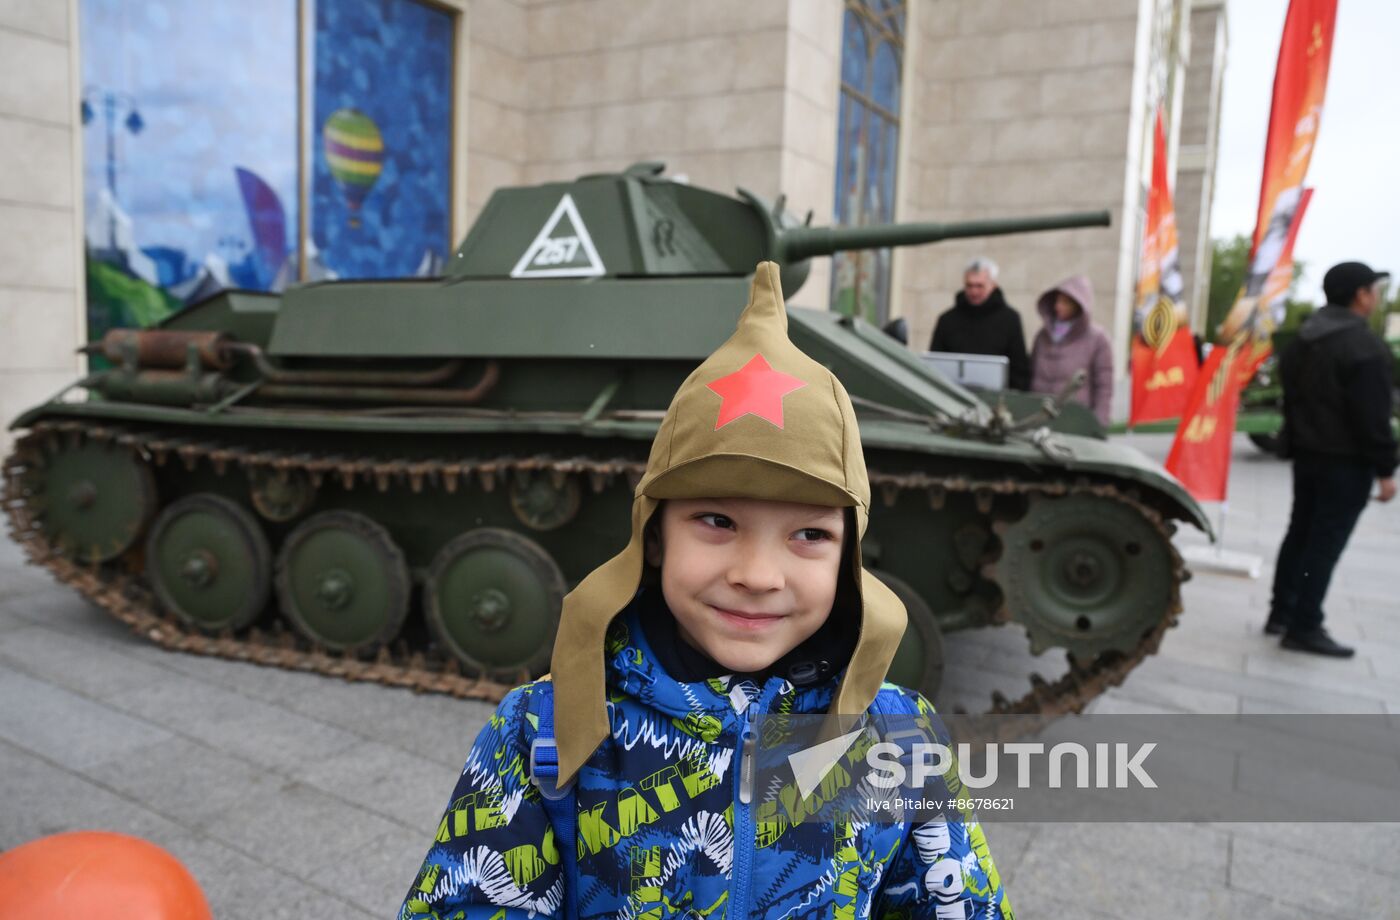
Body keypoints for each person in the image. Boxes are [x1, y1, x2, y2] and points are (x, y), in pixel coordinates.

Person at [398, 263, 1012, 919]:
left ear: (850, 557)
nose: (757, 574)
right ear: (654, 536)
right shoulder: (543, 731)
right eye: (717, 522)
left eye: (808, 533)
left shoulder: (900, 738)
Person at [1265, 261, 1396, 657]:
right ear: (1360, 294)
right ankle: (1305, 624)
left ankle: (1281, 613)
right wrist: (1387, 470)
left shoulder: (1302, 339)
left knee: (1300, 534)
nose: (1375, 297)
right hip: (1345, 463)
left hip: (1307, 456)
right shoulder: (1363, 346)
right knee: (1323, 544)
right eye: (1373, 290)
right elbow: (1373, 418)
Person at [929, 257, 1031, 390]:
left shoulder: (1010, 320)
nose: (974, 291)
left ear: (993, 285)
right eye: (969, 285)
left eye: (980, 286)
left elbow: (1019, 368)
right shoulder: (947, 320)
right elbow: (935, 363)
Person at [1029, 275, 1114, 425]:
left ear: (1078, 305)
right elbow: (1031, 373)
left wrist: (1099, 423)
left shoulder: (1098, 339)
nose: (1058, 306)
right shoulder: (1043, 335)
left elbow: (1104, 386)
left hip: (1075, 419)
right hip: (1040, 415)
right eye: (1057, 300)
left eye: (1065, 302)